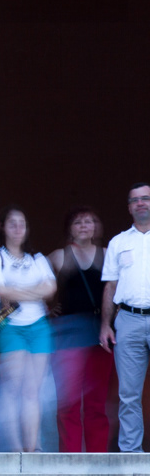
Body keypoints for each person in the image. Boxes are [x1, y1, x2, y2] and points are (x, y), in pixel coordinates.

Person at [0, 207, 57, 453]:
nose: (18, 228)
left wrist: (18, 292)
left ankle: (33, 447)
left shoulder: (37, 258)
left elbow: (50, 289)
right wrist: (33, 292)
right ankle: (15, 448)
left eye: (22, 224)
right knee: (12, 388)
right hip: (11, 327)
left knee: (32, 390)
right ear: (2, 227)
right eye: (12, 223)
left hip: (39, 327)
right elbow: (0, 290)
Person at [49, 207, 115, 452]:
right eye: (78, 222)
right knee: (68, 403)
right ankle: (70, 457)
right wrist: (47, 309)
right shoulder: (59, 256)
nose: (84, 225)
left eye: (89, 221)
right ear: (70, 228)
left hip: (101, 335)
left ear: (97, 226)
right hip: (68, 336)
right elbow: (34, 280)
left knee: (97, 402)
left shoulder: (108, 254)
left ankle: (98, 456)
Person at [101, 182, 150, 453]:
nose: (141, 203)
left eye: (145, 198)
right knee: (128, 394)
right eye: (135, 200)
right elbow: (110, 286)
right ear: (129, 207)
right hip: (128, 321)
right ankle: (131, 453)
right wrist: (106, 325)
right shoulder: (118, 242)